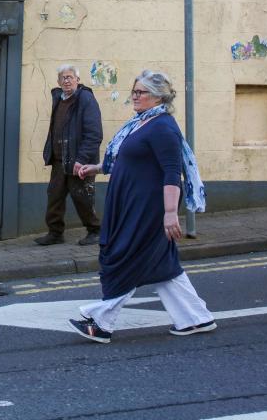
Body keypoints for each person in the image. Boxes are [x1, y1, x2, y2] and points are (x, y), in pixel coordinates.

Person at [69, 70, 212, 344]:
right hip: (131, 204)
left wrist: (170, 213)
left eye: (141, 92)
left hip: (147, 209)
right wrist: (96, 168)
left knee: (128, 256)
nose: (135, 96)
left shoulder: (162, 127)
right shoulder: (141, 123)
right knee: (160, 263)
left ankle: (101, 321)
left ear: (158, 97)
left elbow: (172, 172)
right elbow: (126, 159)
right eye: (134, 91)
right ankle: (196, 318)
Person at [36, 64, 103, 246]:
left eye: (70, 77)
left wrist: (81, 159)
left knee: (82, 197)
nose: (66, 80)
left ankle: (95, 231)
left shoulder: (86, 99)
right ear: (58, 81)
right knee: (54, 196)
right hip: (59, 159)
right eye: (63, 77)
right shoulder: (58, 98)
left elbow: (94, 134)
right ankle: (55, 233)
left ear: (77, 80)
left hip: (78, 160)